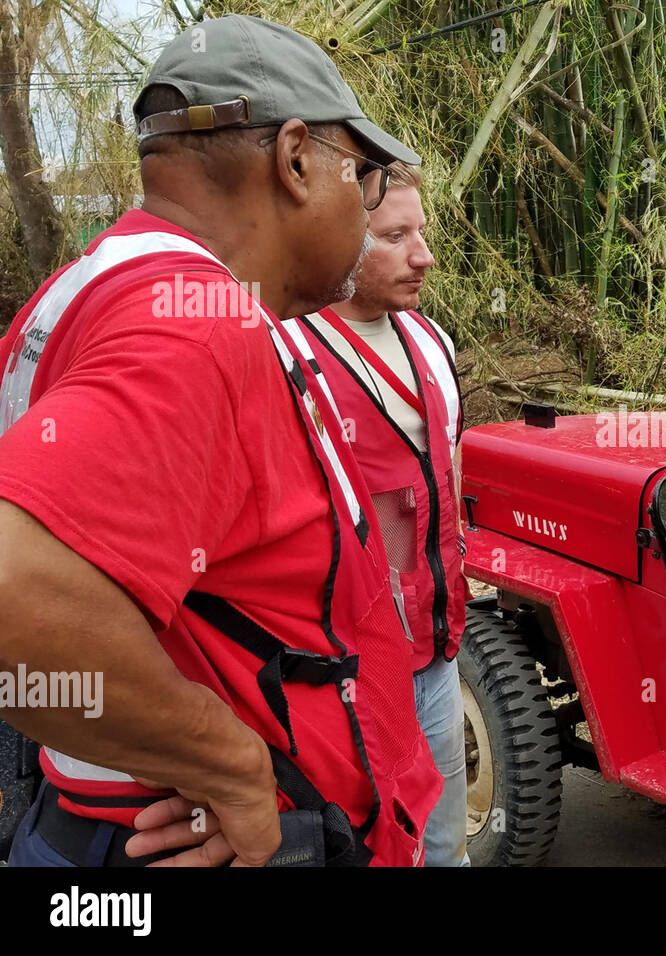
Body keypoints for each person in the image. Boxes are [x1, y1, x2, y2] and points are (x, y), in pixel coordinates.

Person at [0, 14, 439, 866]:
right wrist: (231, 767)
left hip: (99, 821)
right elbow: (14, 593)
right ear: (297, 159)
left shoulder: (80, 291)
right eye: (369, 176)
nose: (372, 203)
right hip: (197, 839)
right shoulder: (201, 327)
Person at [286, 160, 470, 867]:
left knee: (444, 841)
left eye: (420, 232)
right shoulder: (288, 350)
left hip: (438, 648)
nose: (423, 255)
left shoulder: (432, 341)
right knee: (364, 843)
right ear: (338, 235)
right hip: (347, 668)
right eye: (396, 237)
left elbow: (448, 479)